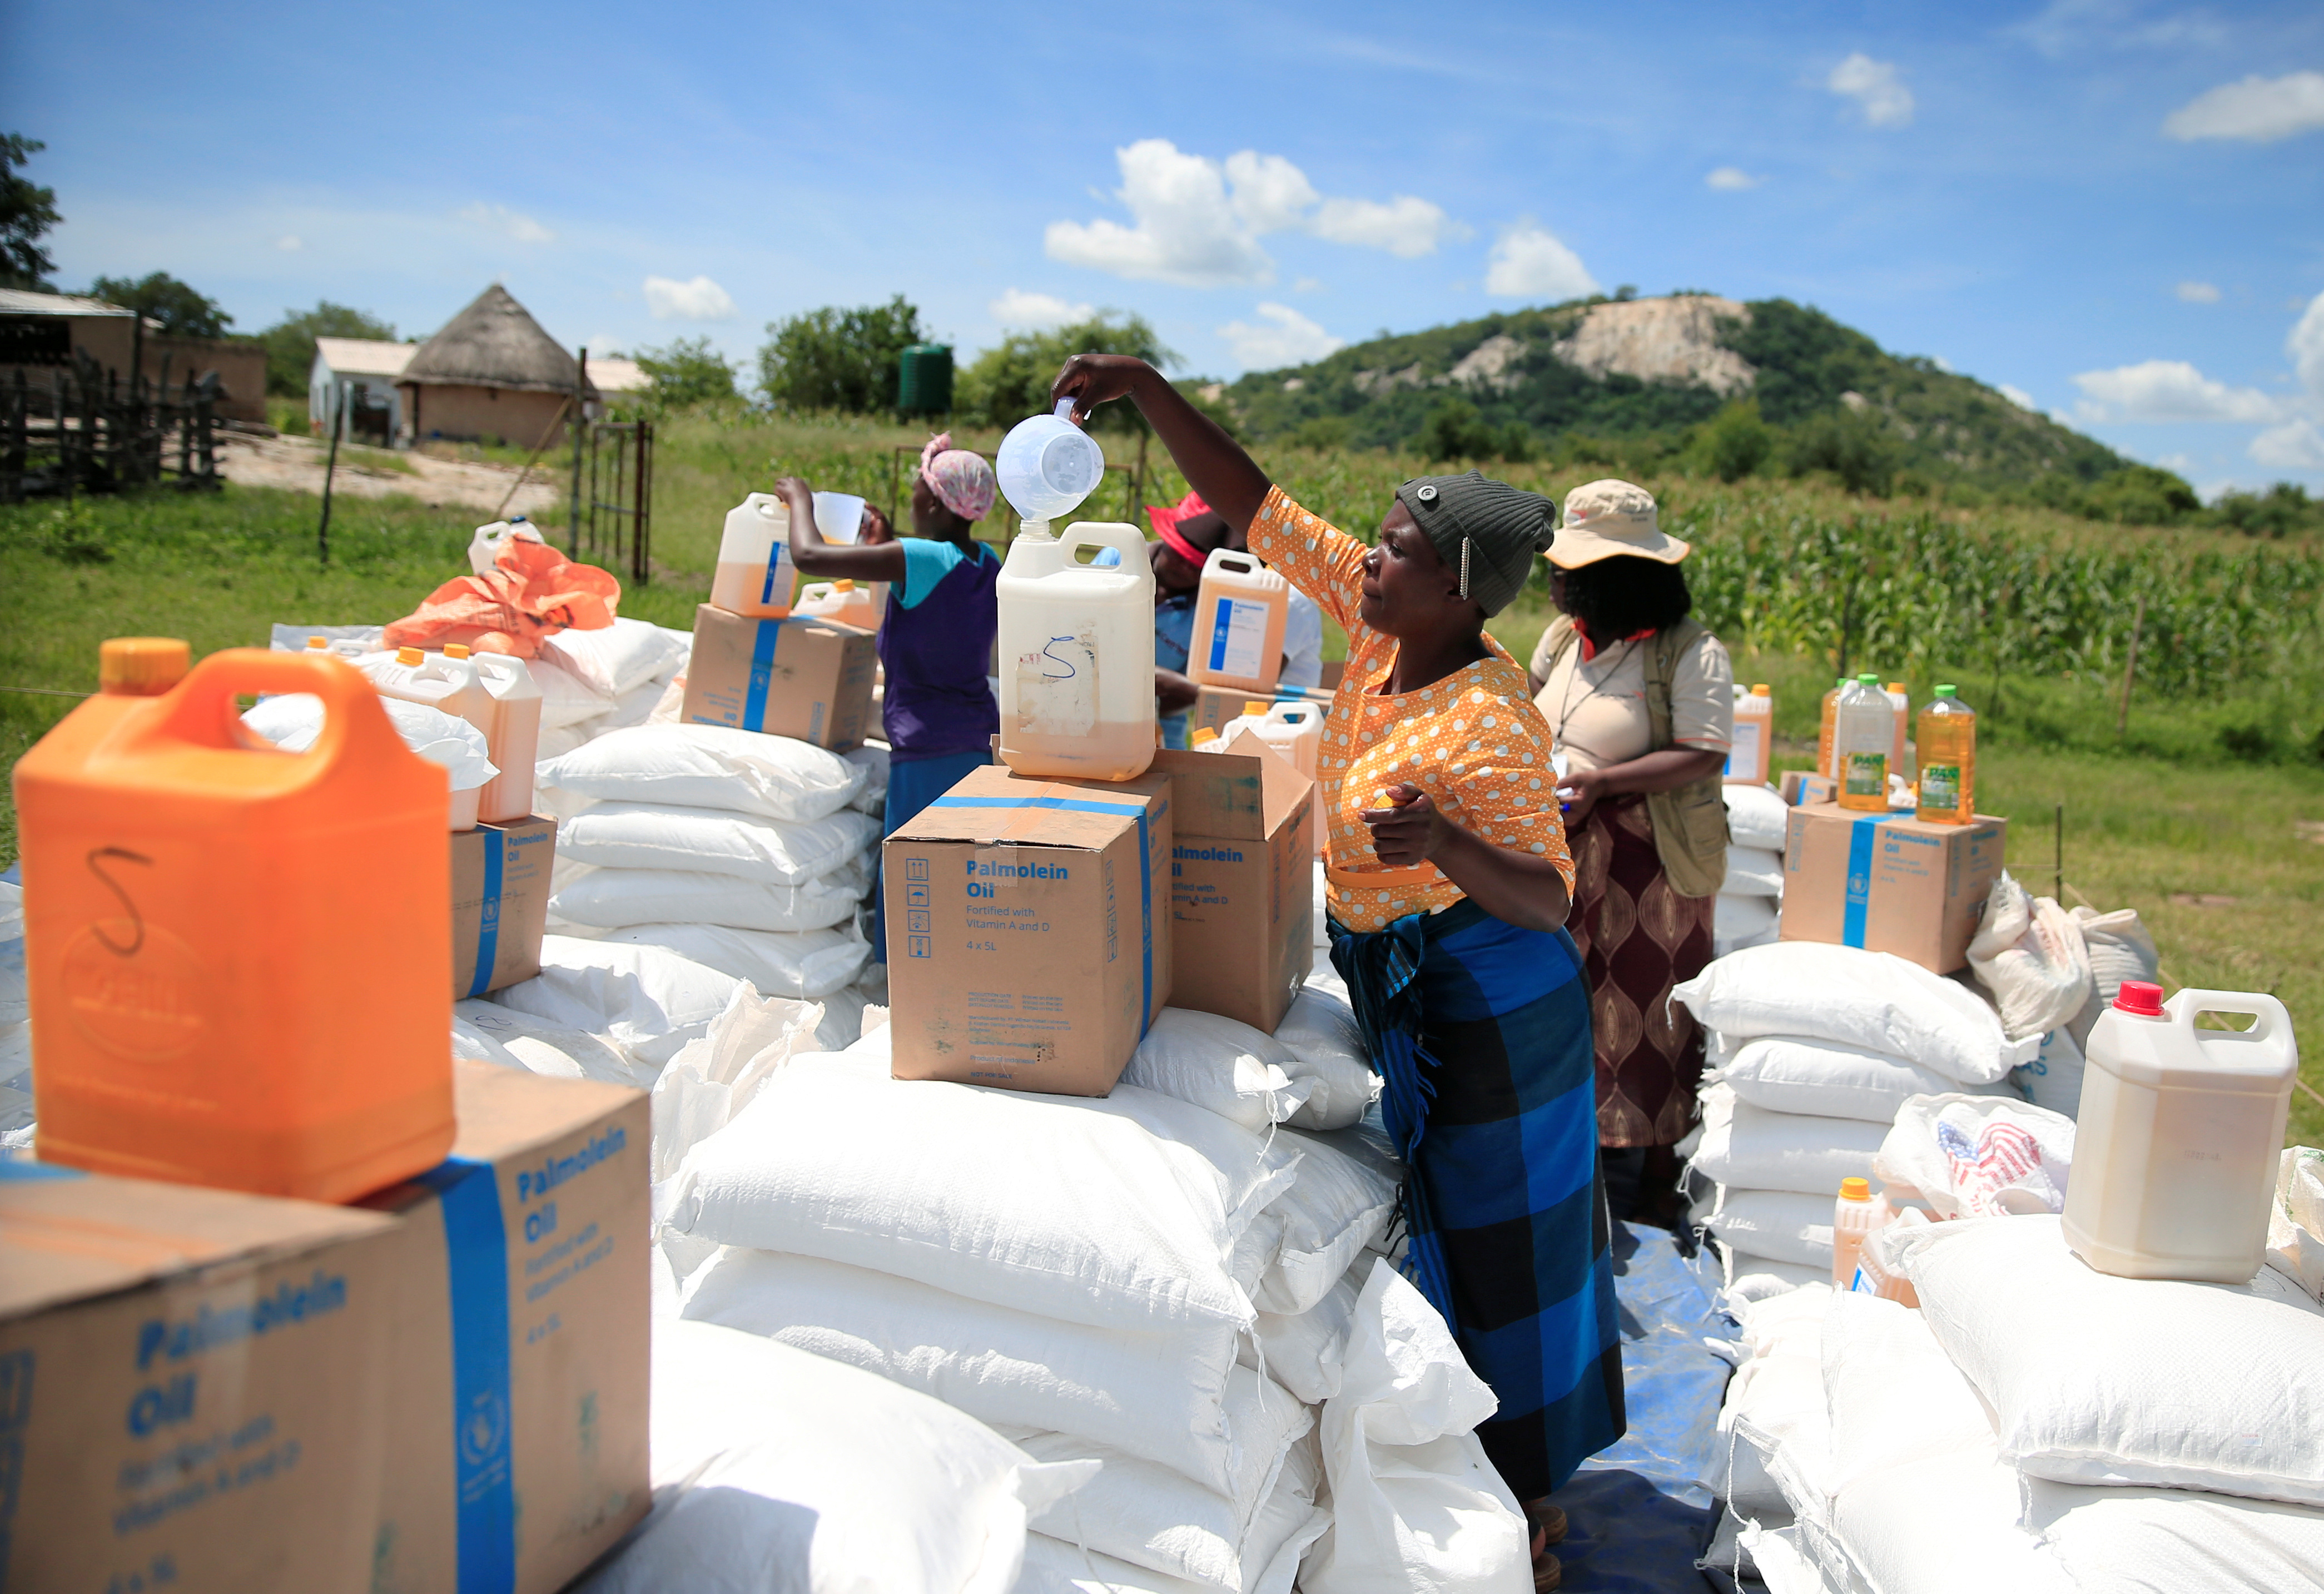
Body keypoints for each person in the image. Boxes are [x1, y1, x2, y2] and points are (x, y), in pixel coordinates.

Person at [1054, 354, 1620, 1589]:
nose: (1368, 559)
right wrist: (1144, 388)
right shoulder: (1373, 638)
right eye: (1373, 539)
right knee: (1441, 1242)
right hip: (1406, 985)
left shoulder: (1490, 715)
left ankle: (1522, 1498)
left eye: (1396, 549)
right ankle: (1451, 1467)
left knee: (1503, 1253)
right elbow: (1250, 504)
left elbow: (1547, 899)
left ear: (1458, 589)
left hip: (1488, 1004)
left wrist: (1452, 845)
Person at [1525, 480, 1732, 1219]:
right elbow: (1528, 711)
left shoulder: (1689, 652)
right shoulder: (1562, 639)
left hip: (1652, 856)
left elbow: (1704, 752)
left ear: (1618, 577)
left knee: (1650, 1005)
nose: (1552, 577)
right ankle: (1574, 1150)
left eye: (1569, 569)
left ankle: (1653, 1172)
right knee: (1568, 999)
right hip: (1566, 843)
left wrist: (1604, 781)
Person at [778, 436, 1002, 961]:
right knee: (961, 875)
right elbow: (928, 583)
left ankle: (897, 989)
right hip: (973, 740)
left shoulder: (918, 557)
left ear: (930, 502)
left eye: (915, 490)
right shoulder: (987, 561)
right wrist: (886, 542)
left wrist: (801, 499)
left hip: (926, 747)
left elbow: (810, 556)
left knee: (911, 881)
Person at [1148, 490, 1327, 744]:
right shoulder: (1260, 590)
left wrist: (1177, 686)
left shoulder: (1289, 601)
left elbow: (1247, 688)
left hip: (1276, 734)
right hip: (1245, 728)